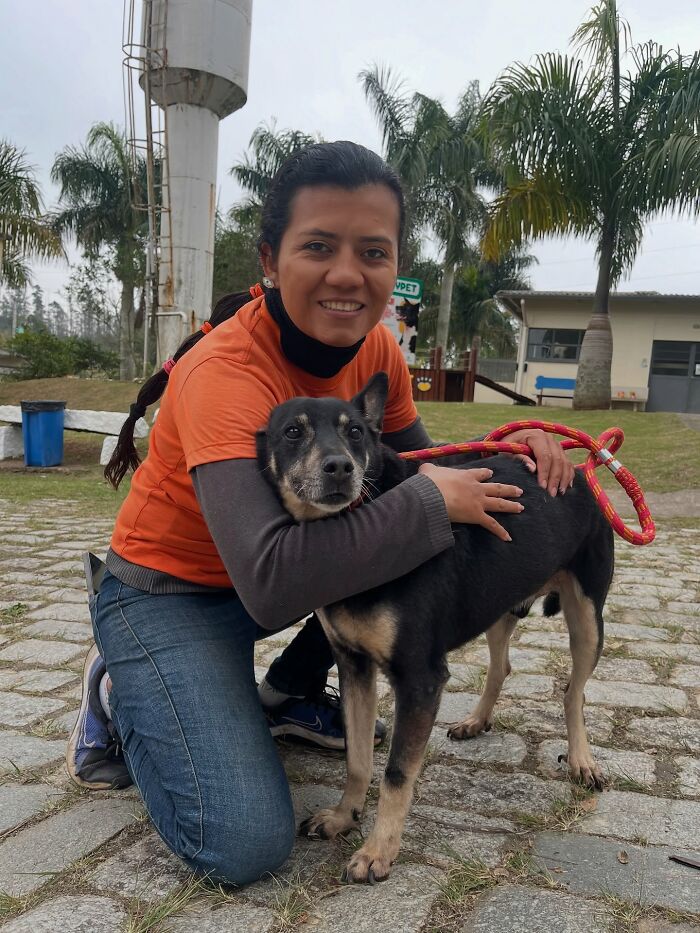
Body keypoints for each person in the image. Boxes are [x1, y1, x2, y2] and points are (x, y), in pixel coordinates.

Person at [66, 141, 574, 887]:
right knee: (240, 840)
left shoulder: (378, 353)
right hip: (173, 593)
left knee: (386, 544)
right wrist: (432, 498)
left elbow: (420, 477)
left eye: (373, 250)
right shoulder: (225, 373)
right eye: (318, 247)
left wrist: (514, 450)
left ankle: (289, 692)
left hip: (298, 578)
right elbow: (274, 577)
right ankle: (121, 688)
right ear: (271, 259)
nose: (348, 273)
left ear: (395, 263)